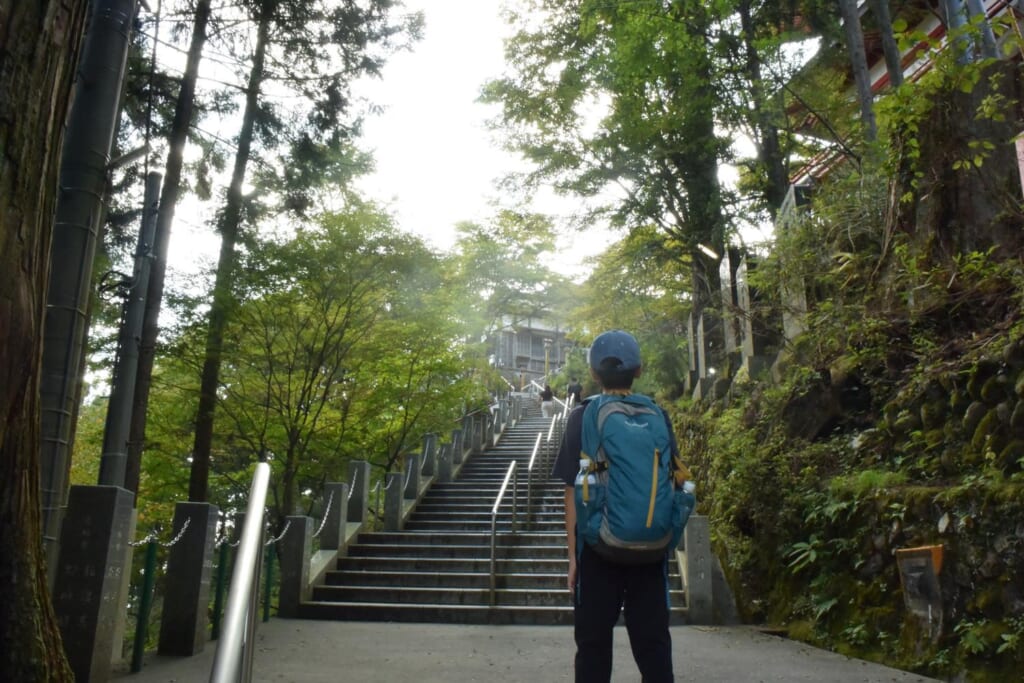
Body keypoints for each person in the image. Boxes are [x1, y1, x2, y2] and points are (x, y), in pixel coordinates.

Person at [552, 330, 678, 683]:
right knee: (654, 648)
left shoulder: (582, 416)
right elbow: (672, 480)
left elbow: (572, 490)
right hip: (651, 549)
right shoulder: (658, 415)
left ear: (593, 374)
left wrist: (573, 558)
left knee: (592, 648)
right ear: (638, 371)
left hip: (597, 550)